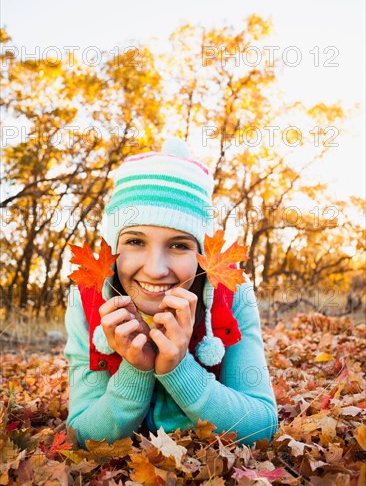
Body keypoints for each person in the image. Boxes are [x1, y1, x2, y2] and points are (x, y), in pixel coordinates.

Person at [64, 138, 278, 450]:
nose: (155, 269)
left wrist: (179, 369)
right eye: (135, 241)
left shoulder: (231, 296)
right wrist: (136, 371)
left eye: (179, 245)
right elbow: (82, 435)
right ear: (113, 248)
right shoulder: (87, 301)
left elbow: (262, 425)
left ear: (201, 254)